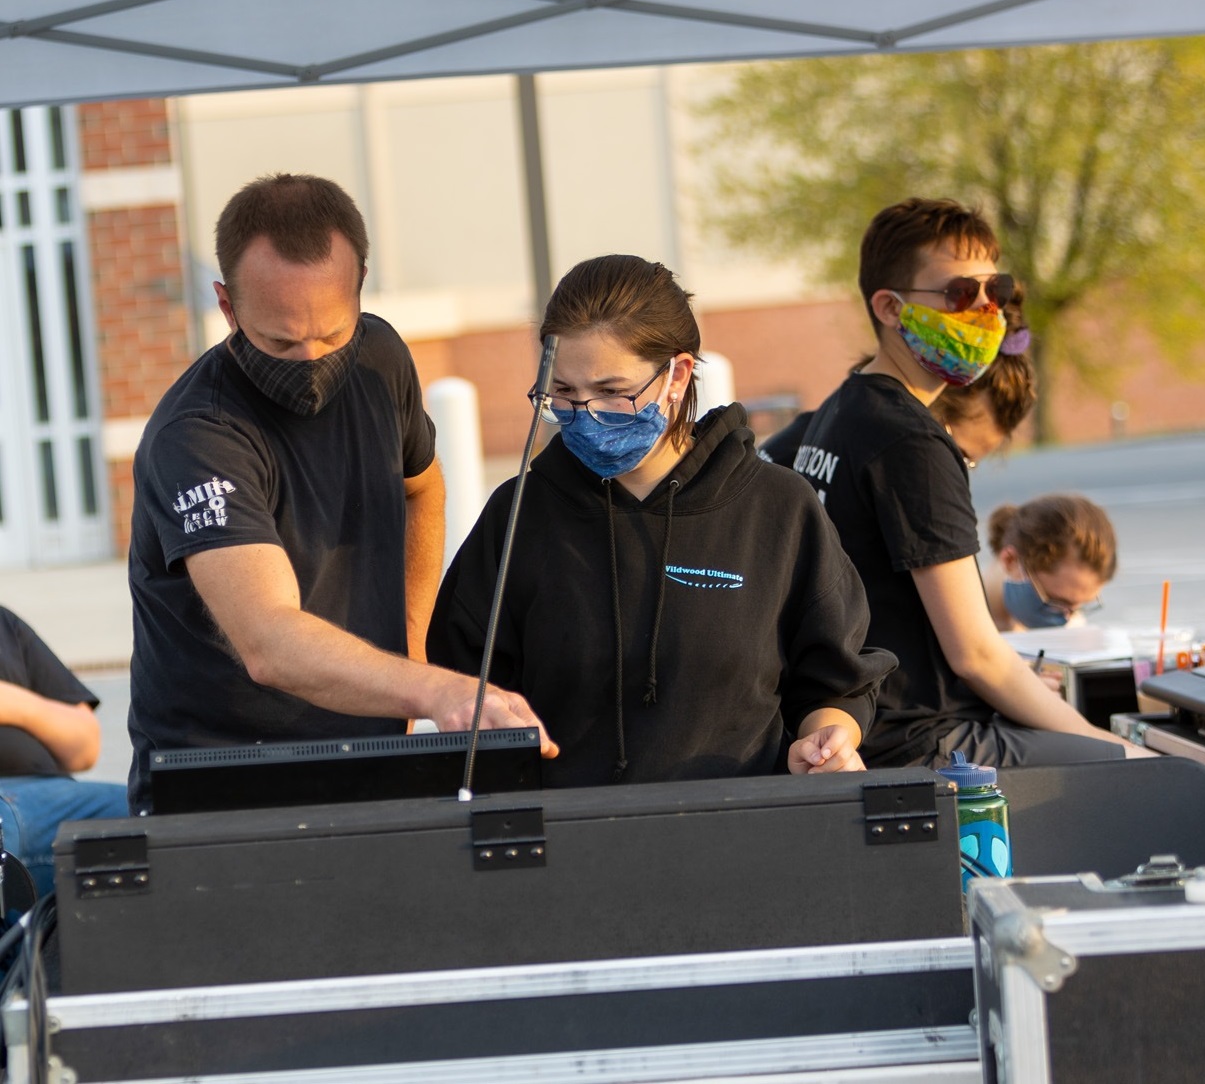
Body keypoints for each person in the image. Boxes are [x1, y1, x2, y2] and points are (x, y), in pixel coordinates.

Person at [127, 174, 550, 814]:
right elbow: (269, 641)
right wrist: (434, 692)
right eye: (279, 340)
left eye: (330, 334)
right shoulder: (198, 437)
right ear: (227, 305)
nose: (309, 360)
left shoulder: (380, 356)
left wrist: (404, 660)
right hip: (219, 777)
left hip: (368, 754)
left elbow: (421, 490)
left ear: (360, 292)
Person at [426, 254, 895, 786]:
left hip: (741, 836)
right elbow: (461, 687)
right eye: (562, 393)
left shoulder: (778, 508)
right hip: (565, 846)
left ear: (678, 373)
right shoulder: (517, 517)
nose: (585, 416)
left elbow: (836, 681)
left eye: (611, 392)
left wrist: (828, 738)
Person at [790, 197, 1133, 770]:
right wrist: (1118, 750)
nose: (983, 310)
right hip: (922, 743)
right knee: (1154, 775)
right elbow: (977, 655)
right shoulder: (911, 442)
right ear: (891, 308)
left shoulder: (842, 409)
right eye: (957, 294)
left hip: (865, 725)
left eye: (992, 291)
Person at [759, 285, 1035, 470]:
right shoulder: (862, 466)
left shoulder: (824, 432)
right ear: (929, 388)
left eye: (967, 465)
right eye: (959, 455)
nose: (955, 471)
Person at [0, 607, 127, 895]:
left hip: (54, 796)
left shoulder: (4, 624)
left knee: (159, 817)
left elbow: (84, 747)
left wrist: (16, 705)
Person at [982, 495, 1117, 632]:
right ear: (1010, 560)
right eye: (1057, 603)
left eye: (1080, 606)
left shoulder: (1071, 624)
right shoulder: (964, 633)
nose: (1068, 618)